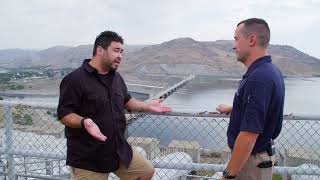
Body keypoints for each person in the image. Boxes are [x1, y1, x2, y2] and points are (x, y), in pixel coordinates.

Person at [57, 31, 171, 180]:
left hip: (118, 150)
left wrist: (146, 106)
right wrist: (84, 122)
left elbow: (126, 100)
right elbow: (64, 114)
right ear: (100, 50)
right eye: (116, 50)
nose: (120, 56)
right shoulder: (75, 79)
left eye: (122, 52)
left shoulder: (116, 77)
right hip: (89, 157)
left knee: (146, 172)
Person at [216, 18, 285, 180]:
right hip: (257, 159)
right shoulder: (270, 70)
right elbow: (262, 106)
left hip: (250, 163)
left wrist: (228, 175)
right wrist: (234, 107)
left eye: (236, 39)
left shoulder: (259, 78)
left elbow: (249, 135)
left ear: (251, 40)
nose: (234, 45)